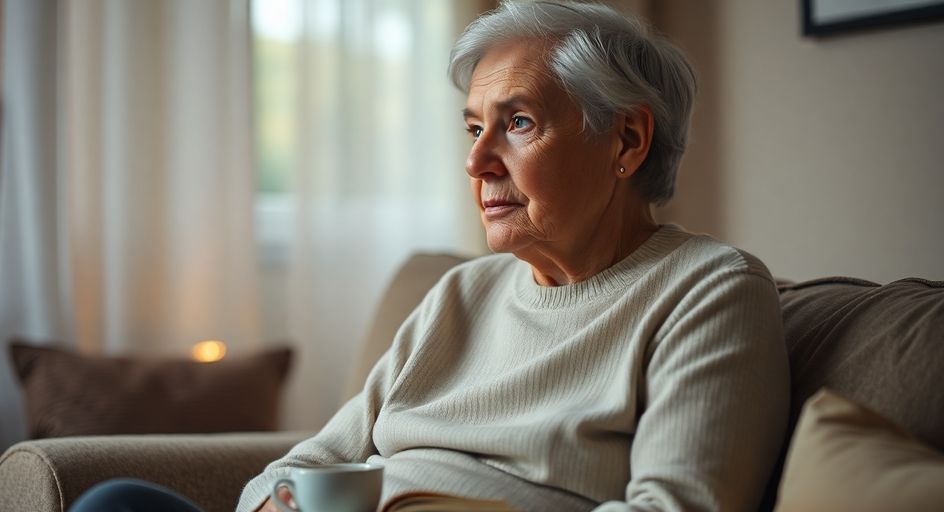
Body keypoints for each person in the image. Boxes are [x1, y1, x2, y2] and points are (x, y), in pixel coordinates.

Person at [74, 2, 789, 511]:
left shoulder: (709, 292)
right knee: (115, 503)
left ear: (627, 142)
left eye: (517, 123)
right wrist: (286, 504)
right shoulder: (462, 295)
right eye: (474, 128)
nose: (477, 160)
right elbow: (303, 466)